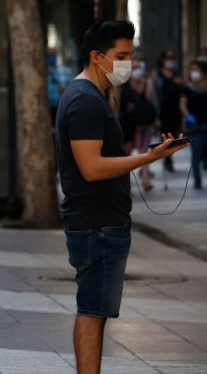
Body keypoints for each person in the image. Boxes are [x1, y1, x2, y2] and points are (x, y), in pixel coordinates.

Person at [55, 21, 189, 374]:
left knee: (96, 311)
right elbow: (91, 167)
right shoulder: (84, 100)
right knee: (92, 311)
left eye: (130, 55)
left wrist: (151, 151)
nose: (128, 63)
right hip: (96, 224)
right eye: (121, 56)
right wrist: (149, 158)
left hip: (101, 221)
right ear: (96, 57)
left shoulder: (92, 96)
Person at [120, 60, 157, 191]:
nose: (137, 70)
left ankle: (146, 180)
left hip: (144, 125)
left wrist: (147, 83)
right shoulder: (124, 86)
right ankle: (126, 181)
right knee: (127, 153)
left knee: (144, 152)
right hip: (129, 126)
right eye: (134, 67)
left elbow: (151, 101)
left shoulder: (146, 84)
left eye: (138, 67)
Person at [153, 49, 184, 172]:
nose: (170, 61)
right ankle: (167, 160)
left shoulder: (177, 75)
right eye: (168, 58)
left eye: (173, 58)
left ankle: (169, 158)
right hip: (163, 112)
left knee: (175, 136)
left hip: (176, 112)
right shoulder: (157, 75)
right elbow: (154, 94)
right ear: (163, 60)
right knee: (165, 137)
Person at [180, 60, 207, 189]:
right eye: (192, 70)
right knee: (195, 153)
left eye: (196, 69)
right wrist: (187, 115)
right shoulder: (188, 88)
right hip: (194, 127)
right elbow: (182, 104)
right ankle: (197, 178)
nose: (194, 73)